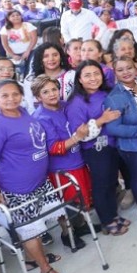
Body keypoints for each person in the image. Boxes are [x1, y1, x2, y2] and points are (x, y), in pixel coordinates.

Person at [0, 80, 72, 273]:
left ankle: (34, 258)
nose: (11, 99)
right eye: (4, 95)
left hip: (39, 183)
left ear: (21, 96)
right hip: (17, 189)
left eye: (15, 94)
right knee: (30, 229)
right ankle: (45, 271)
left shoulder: (23, 112)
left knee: (41, 224)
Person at [30, 75, 92, 251]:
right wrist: (77, 137)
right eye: (45, 92)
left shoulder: (66, 106)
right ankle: (67, 234)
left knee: (81, 198)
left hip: (78, 160)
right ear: (37, 97)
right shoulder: (41, 117)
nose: (51, 94)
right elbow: (53, 147)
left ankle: (80, 227)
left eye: (54, 89)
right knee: (68, 203)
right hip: (61, 168)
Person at [65, 60, 125, 235]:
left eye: (96, 74)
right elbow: (80, 134)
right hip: (95, 149)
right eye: (87, 75)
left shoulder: (106, 92)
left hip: (113, 145)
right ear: (80, 79)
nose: (93, 78)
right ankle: (107, 221)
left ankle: (113, 215)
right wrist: (101, 120)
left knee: (112, 182)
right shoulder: (76, 103)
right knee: (101, 185)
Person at [102, 57, 137, 229]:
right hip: (134, 145)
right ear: (115, 73)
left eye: (129, 68)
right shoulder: (114, 97)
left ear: (136, 68)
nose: (126, 72)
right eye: (120, 70)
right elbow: (113, 129)